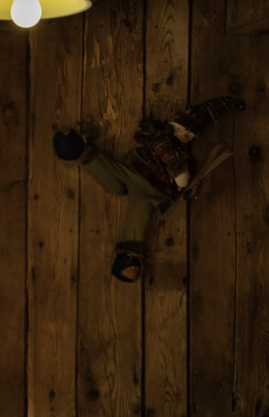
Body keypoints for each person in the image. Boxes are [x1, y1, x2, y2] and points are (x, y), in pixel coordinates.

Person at [53, 95, 246, 282]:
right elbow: (175, 166)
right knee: (132, 198)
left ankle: (81, 153)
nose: (189, 135)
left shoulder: (175, 145)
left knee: (122, 192)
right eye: (189, 131)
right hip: (147, 181)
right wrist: (182, 179)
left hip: (138, 177)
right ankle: (128, 257)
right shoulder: (166, 141)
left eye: (191, 133)